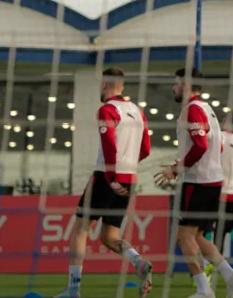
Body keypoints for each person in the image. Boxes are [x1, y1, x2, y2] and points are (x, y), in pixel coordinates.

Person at [55, 68, 153, 298]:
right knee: (110, 236)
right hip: (129, 179)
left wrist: (111, 177)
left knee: (80, 230)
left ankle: (73, 290)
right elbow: (146, 149)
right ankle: (138, 262)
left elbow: (109, 145)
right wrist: (126, 168)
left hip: (106, 177)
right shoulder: (138, 112)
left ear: (104, 85)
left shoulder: (107, 109)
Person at [155, 68, 233, 298]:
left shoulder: (192, 110)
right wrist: (185, 159)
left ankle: (205, 291)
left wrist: (177, 168)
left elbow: (202, 145)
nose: (174, 88)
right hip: (213, 181)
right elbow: (218, 147)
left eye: (176, 83)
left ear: (185, 84)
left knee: (183, 237)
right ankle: (229, 274)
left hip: (198, 183)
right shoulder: (208, 109)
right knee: (197, 237)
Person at [204, 110, 233, 284]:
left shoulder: (219, 137)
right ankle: (212, 269)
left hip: (217, 192)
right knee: (221, 234)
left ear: (225, 121)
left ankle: (205, 268)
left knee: (204, 232)